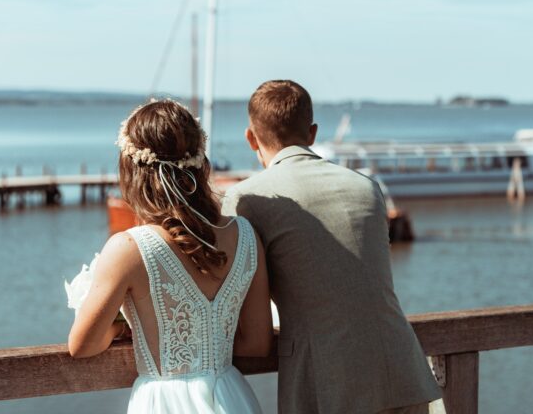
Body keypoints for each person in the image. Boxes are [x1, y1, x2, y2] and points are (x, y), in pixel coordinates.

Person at [222, 80, 442, 414]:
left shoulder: (247, 198)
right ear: (312, 133)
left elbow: (229, 292)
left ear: (251, 137)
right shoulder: (366, 187)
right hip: (402, 371)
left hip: (325, 383)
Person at [66, 99, 273, 414]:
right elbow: (257, 343)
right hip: (231, 396)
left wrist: (122, 327)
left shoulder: (129, 248)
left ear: (131, 168)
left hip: (164, 403)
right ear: (200, 163)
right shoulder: (246, 235)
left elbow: (82, 346)